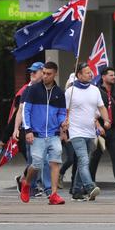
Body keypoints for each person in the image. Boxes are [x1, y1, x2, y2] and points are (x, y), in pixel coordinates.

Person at [19, 61, 66, 205]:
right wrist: (28, 130)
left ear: (55, 74)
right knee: (37, 164)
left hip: (53, 134)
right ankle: (26, 184)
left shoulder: (59, 93)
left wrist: (63, 122)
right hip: (37, 134)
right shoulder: (33, 90)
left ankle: (53, 194)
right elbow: (25, 111)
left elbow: (61, 113)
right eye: (44, 73)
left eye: (48, 74)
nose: (45, 76)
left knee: (55, 162)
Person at [63, 62, 109, 202]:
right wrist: (64, 128)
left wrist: (106, 120)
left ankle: (76, 191)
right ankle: (89, 187)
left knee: (83, 162)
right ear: (79, 75)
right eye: (87, 72)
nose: (91, 74)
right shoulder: (70, 91)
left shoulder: (95, 90)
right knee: (83, 160)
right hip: (75, 131)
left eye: (91, 72)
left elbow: (101, 108)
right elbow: (65, 111)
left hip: (90, 132)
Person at [89, 67, 115, 193]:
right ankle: (90, 182)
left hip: (114, 129)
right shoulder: (96, 91)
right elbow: (92, 111)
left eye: (114, 75)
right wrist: (98, 125)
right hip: (100, 130)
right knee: (95, 156)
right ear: (103, 77)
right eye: (111, 75)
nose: (114, 77)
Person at [12, 62, 50, 197]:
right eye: (31, 72)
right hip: (30, 131)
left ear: (42, 72)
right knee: (36, 160)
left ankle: (26, 182)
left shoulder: (48, 89)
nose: (32, 74)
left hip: (45, 131)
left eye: (35, 71)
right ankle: (34, 187)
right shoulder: (27, 89)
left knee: (42, 160)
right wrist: (16, 129)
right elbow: (20, 110)